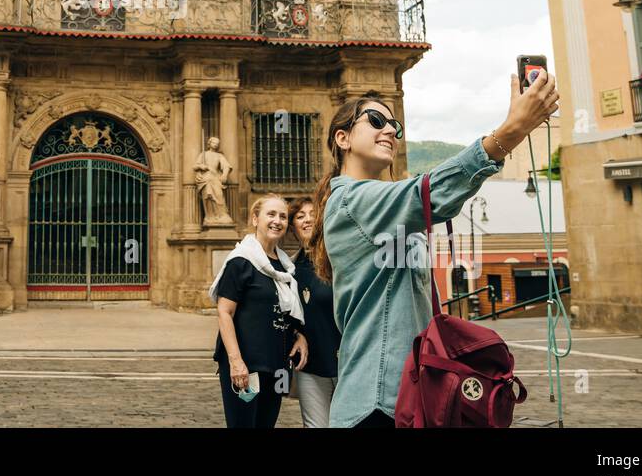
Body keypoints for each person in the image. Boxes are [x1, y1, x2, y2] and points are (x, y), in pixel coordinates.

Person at [310, 73, 558, 428]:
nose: (391, 131)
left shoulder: (385, 206)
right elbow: (428, 193)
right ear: (342, 138)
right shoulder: (350, 200)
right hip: (375, 399)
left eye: (395, 125)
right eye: (376, 121)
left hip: (414, 393)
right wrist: (511, 130)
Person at [210, 195, 310, 428]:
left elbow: (282, 311)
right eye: (271, 214)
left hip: (276, 366)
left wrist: (299, 335)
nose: (277, 221)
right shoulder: (241, 261)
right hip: (247, 366)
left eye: (283, 216)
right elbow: (225, 312)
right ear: (255, 219)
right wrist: (236, 362)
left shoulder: (284, 266)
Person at [289, 197, 337, 427]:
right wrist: (296, 334)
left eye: (312, 214)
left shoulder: (337, 259)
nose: (307, 219)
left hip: (345, 359)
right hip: (310, 364)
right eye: (300, 216)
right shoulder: (288, 269)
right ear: (292, 226)